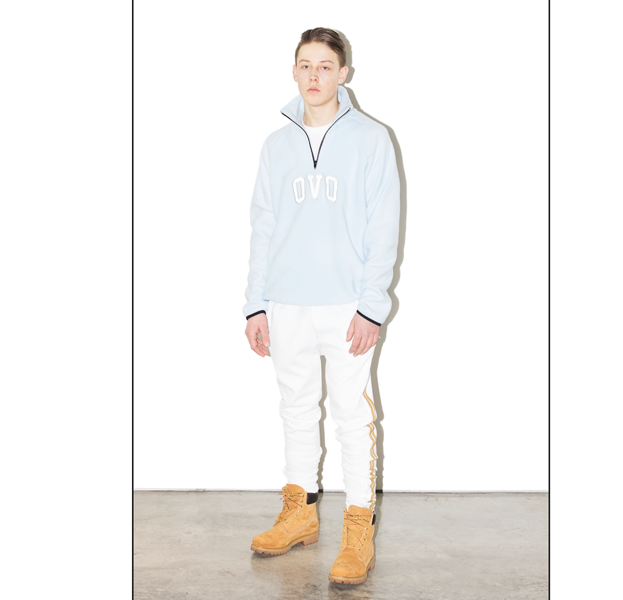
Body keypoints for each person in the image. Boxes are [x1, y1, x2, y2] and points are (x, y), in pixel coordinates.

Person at [243, 27, 400, 585]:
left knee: (353, 415)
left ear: (343, 73)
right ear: (294, 72)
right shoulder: (275, 146)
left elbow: (383, 227)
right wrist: (255, 305)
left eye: (325, 66)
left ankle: (358, 530)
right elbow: (263, 227)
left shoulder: (372, 140)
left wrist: (372, 306)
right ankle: (299, 513)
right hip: (286, 302)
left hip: (347, 305)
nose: (314, 76)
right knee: (296, 408)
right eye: (305, 65)